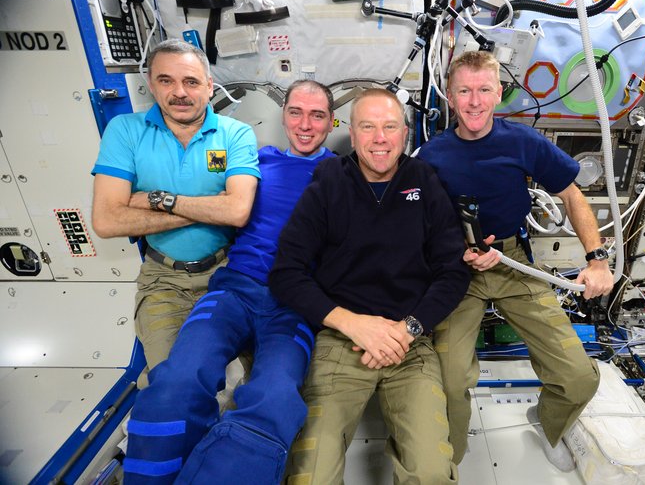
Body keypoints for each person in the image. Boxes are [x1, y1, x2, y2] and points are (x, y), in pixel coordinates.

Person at [121, 80, 336, 484]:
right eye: (296, 112)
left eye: (317, 115)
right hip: (234, 290)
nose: (305, 124)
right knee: (176, 381)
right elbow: (196, 189)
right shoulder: (252, 162)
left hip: (297, 307)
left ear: (331, 122)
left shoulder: (346, 173)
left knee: (273, 398)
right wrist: (144, 198)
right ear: (284, 115)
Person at [417, 50, 614, 472]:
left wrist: (597, 260)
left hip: (513, 262)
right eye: (464, 91)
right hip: (458, 270)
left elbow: (572, 195)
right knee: (449, 380)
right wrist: (456, 249)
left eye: (484, 90)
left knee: (579, 377)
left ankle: (548, 424)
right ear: (450, 96)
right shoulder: (432, 155)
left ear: (498, 93)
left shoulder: (522, 141)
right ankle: (449, 455)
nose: (474, 101)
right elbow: (417, 222)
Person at [269, 88, 470, 485]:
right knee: (310, 475)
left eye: (390, 127)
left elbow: (453, 271)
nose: (380, 138)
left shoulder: (424, 181)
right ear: (352, 134)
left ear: (405, 134)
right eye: (368, 127)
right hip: (342, 342)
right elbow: (286, 273)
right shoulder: (328, 182)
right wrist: (354, 324)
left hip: (409, 344)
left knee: (431, 473)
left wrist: (407, 328)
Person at [91, 39, 260, 386]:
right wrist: (212, 209)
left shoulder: (235, 134)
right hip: (163, 280)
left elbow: (238, 212)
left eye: (192, 82)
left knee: (263, 372)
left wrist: (156, 199)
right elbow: (107, 220)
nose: (180, 92)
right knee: (170, 386)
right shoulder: (125, 131)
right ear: (151, 85)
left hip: (229, 271)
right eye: (166, 81)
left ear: (210, 86)